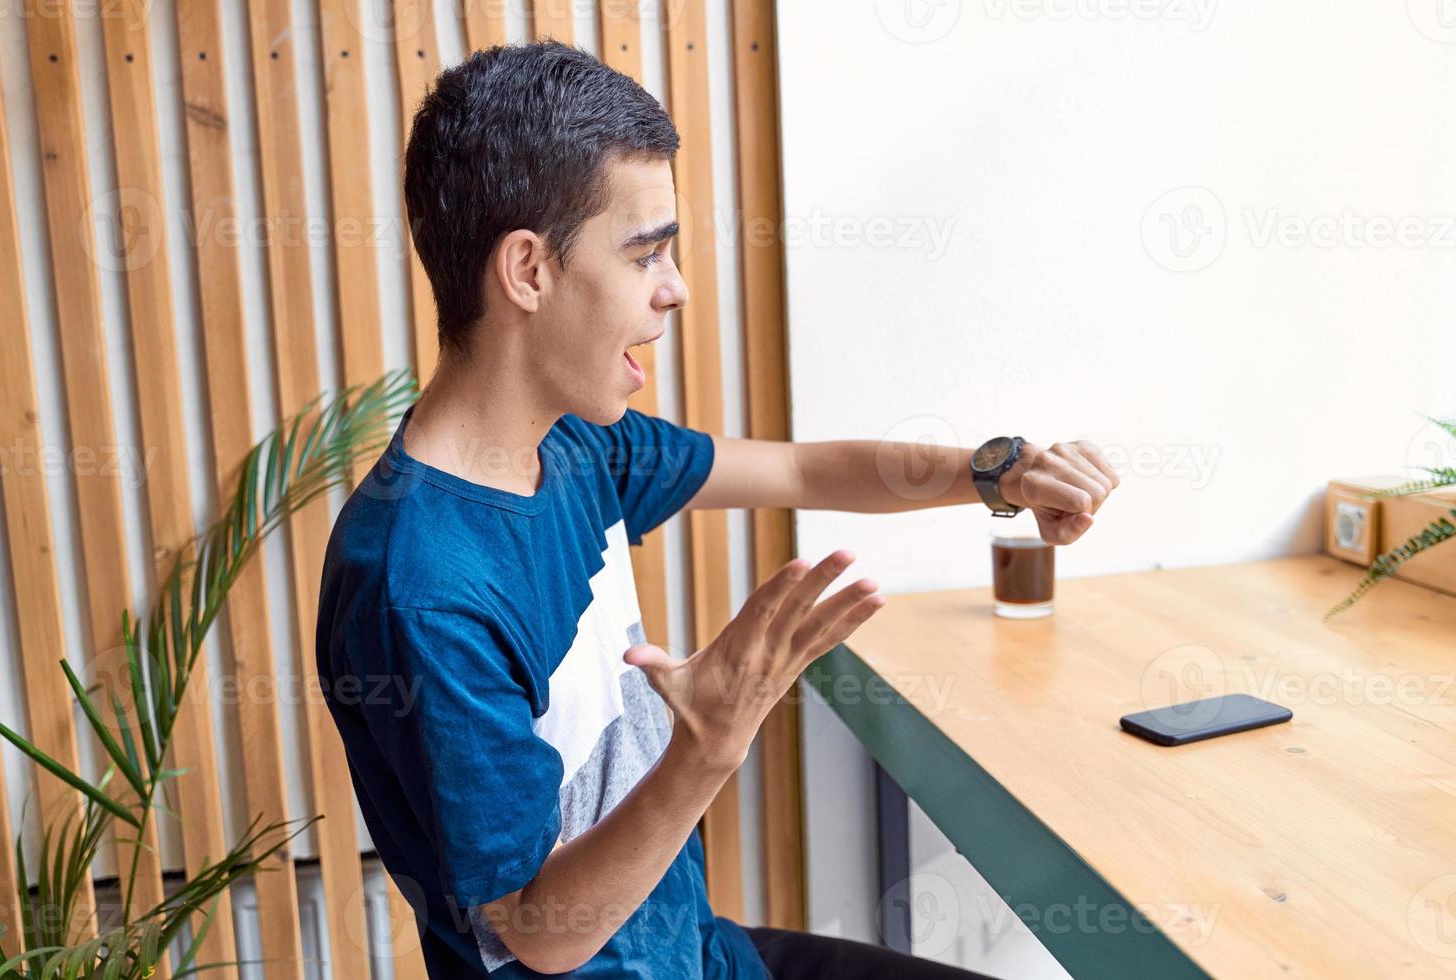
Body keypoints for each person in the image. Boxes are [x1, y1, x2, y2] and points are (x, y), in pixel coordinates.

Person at [314, 40, 1118, 980]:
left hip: (697, 954)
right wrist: (709, 742)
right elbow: (540, 930)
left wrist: (1003, 472)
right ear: (528, 271)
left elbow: (806, 471)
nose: (676, 288)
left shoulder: (576, 448)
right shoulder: (421, 584)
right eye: (646, 252)